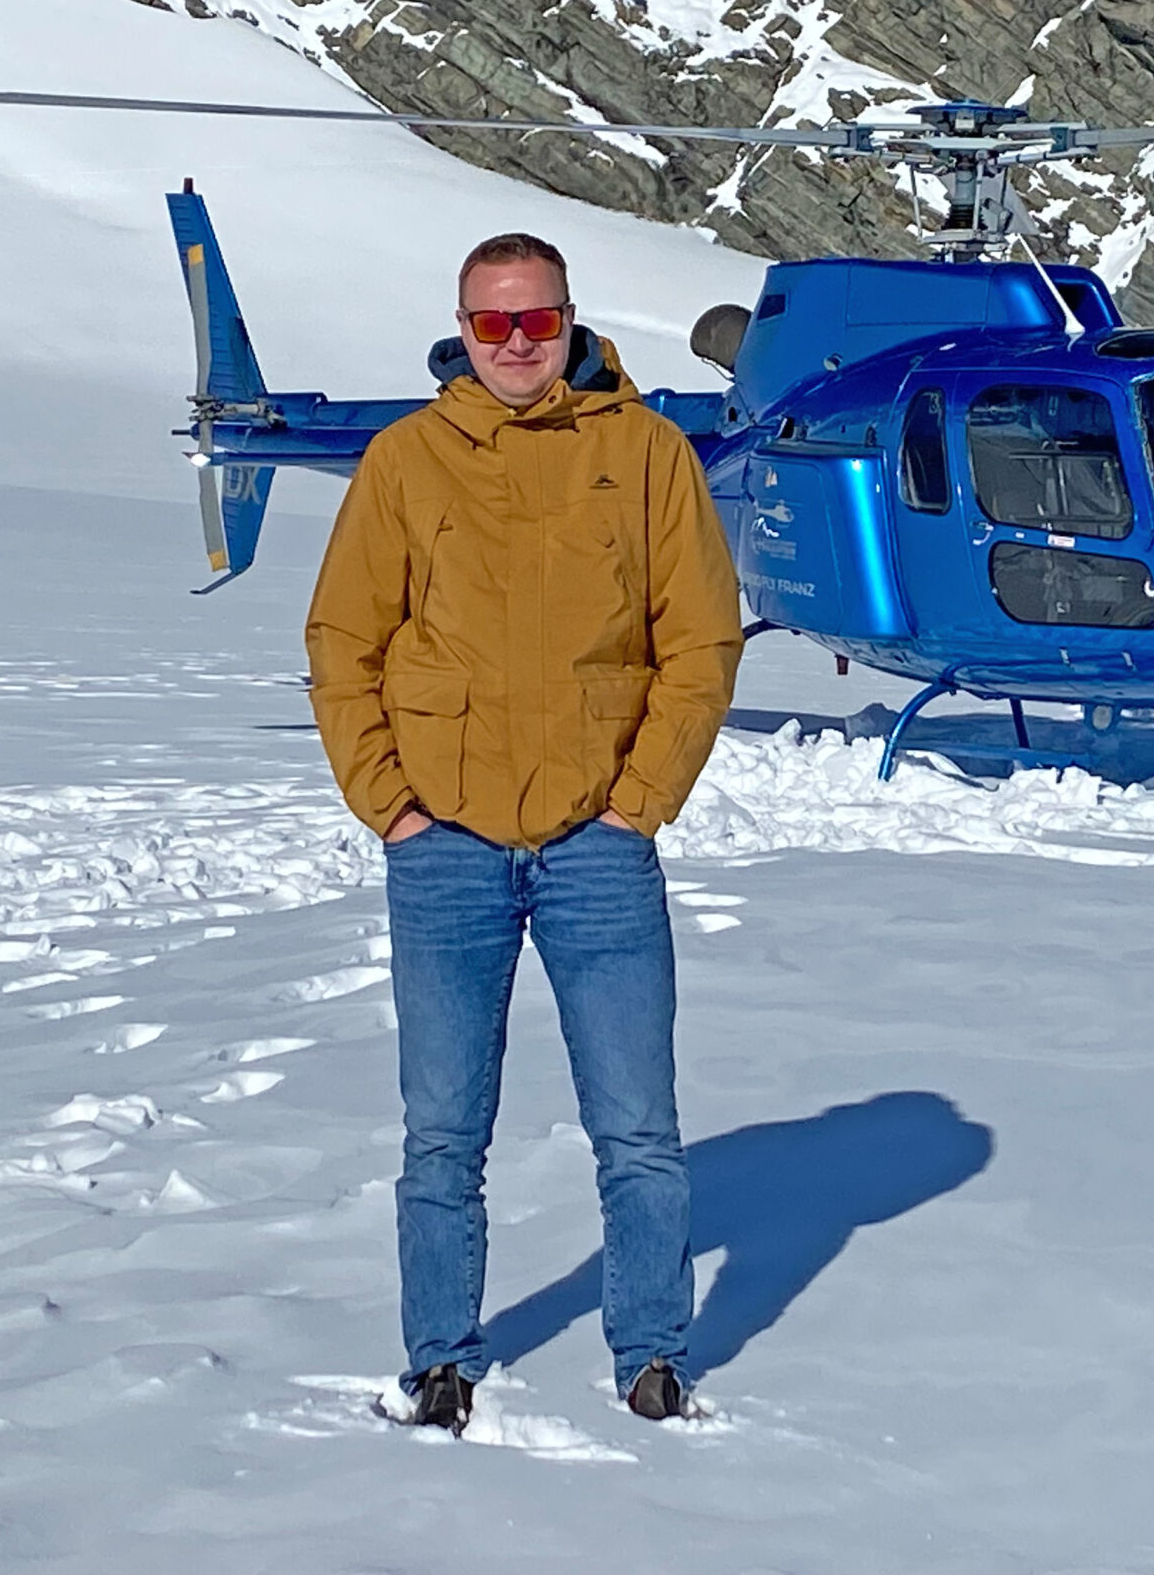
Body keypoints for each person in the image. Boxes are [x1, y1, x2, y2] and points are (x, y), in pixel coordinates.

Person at [305, 232, 742, 1433]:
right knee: (442, 1132)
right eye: (492, 325)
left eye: (535, 322)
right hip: (442, 843)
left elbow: (699, 642)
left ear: (569, 321)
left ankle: (651, 1353)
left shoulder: (645, 454)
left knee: (638, 1130)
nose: (515, 345)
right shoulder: (406, 462)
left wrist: (638, 798)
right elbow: (345, 642)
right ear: (461, 327)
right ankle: (439, 1358)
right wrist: (387, 803)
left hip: (598, 843)